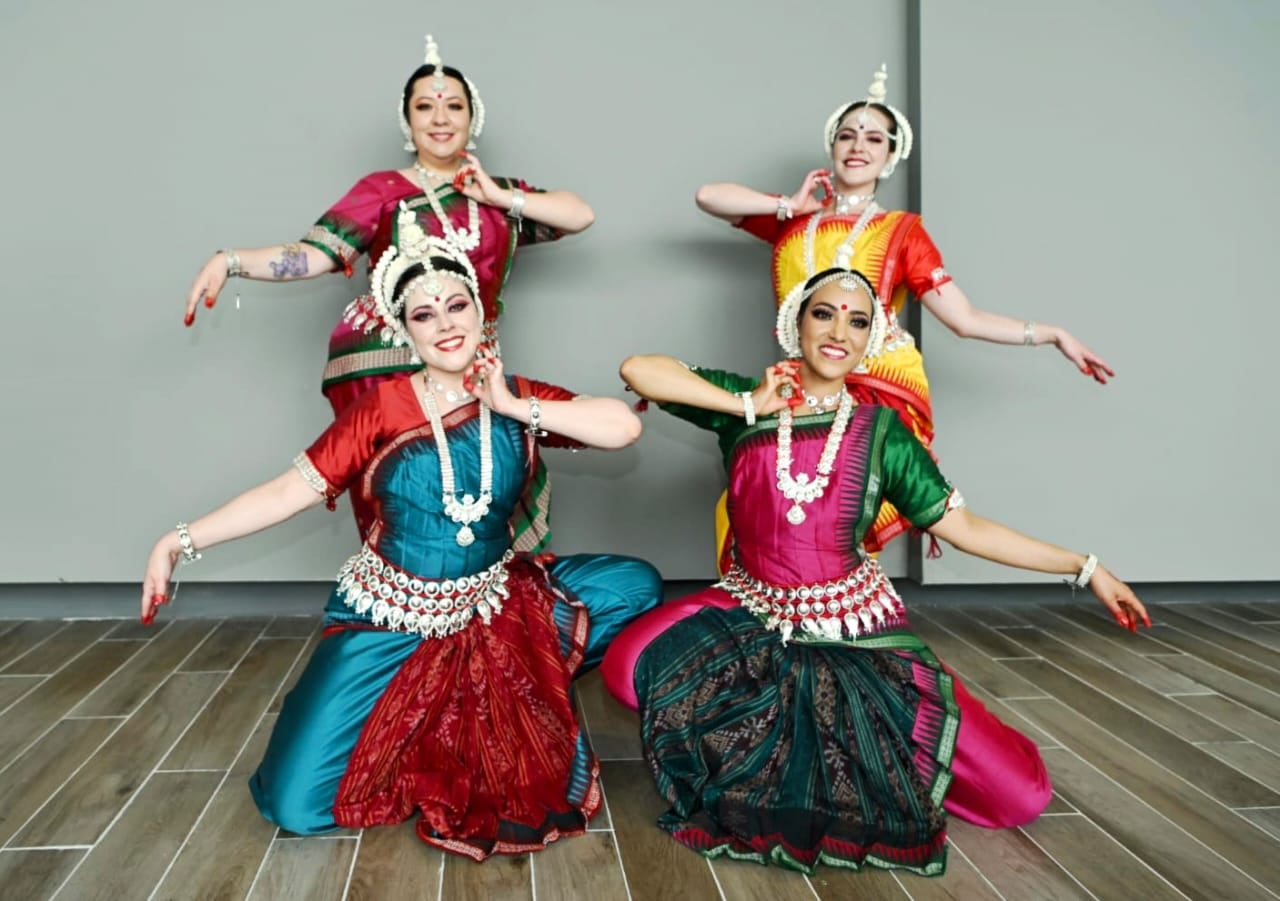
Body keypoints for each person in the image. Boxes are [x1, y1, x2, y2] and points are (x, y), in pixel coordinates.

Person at [601, 266, 1148, 876]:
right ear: (796, 325)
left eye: (858, 320)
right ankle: (765, 747)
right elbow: (638, 369)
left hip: (852, 627)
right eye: (824, 313)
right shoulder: (744, 405)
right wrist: (745, 402)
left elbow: (963, 528)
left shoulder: (885, 434)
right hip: (753, 612)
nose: (839, 331)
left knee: (1019, 795)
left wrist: (1084, 565)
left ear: (872, 338)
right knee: (629, 670)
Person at [144, 237, 661, 860]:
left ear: (480, 313)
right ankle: (429, 734)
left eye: (457, 305)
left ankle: (506, 690)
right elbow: (287, 492)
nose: (445, 324)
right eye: (424, 314)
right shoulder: (382, 408)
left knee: (634, 585)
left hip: (492, 606)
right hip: (394, 617)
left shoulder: (516, 396)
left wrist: (508, 404)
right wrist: (177, 542)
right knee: (296, 803)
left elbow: (622, 427)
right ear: (404, 332)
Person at [181, 33, 594, 553]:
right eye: (425, 107)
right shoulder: (382, 189)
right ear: (409, 122)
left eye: (453, 106)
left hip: (463, 356)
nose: (440, 118)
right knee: (406, 490)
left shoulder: (498, 197)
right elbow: (315, 255)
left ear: (473, 118)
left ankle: (487, 604)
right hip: (383, 361)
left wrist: (494, 194)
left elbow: (580, 215)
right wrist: (233, 261)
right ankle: (404, 602)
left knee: (491, 473)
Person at [693, 64, 1113, 559]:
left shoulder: (901, 232)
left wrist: (1051, 333)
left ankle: (836, 617)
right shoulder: (792, 224)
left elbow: (964, 319)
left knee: (842, 501)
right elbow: (708, 198)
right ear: (831, 148)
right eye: (847, 135)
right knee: (757, 495)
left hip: (874, 384)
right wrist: (790, 203)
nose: (858, 146)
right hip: (801, 379)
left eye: (875, 139)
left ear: (890, 157)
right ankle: (767, 608)